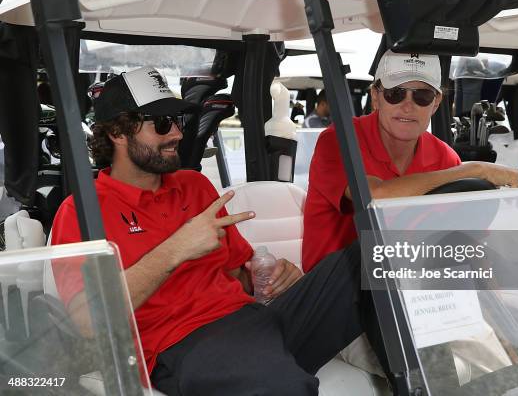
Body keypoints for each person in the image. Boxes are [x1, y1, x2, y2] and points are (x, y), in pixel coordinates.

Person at [50, 67, 384, 396]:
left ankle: (424, 368)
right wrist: (175, 249)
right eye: (162, 124)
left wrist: (267, 277)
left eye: (177, 122)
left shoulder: (193, 185)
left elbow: (241, 276)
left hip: (255, 321)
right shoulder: (82, 211)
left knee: (378, 252)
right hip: (183, 344)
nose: (177, 135)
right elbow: (87, 322)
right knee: (281, 385)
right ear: (118, 133)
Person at [302, 50, 518, 273]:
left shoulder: (444, 157)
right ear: (376, 96)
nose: (408, 106)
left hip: (408, 284)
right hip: (335, 288)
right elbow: (374, 196)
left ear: (436, 102)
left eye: (422, 96)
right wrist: (474, 170)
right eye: (395, 93)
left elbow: (464, 244)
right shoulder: (339, 139)